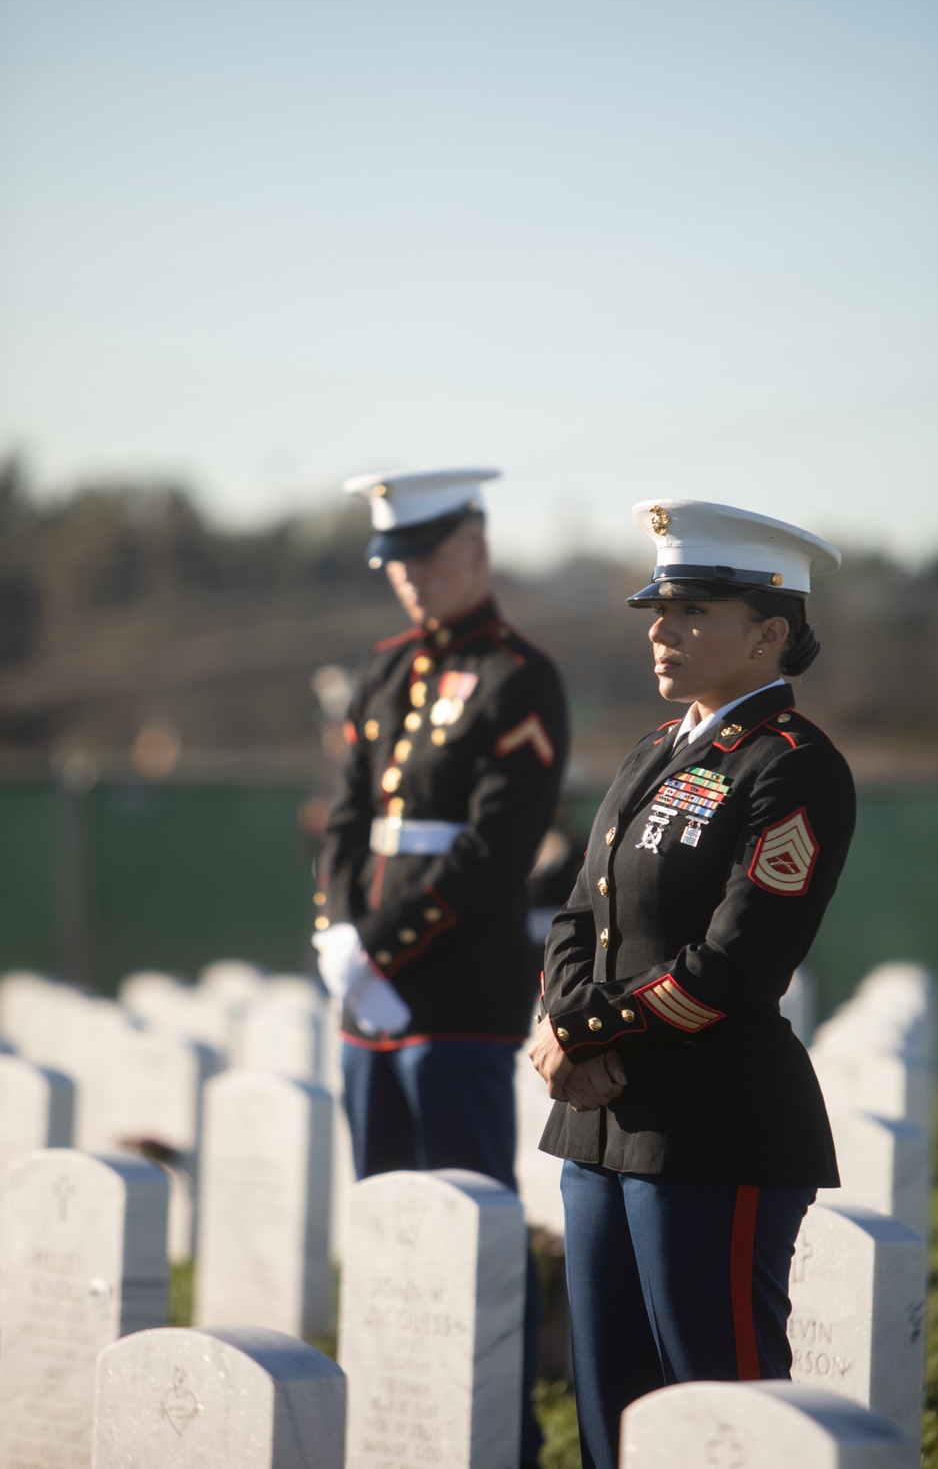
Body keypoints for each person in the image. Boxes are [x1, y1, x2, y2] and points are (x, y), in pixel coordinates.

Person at [529, 498, 856, 1469]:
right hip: (598, 1124)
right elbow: (575, 915)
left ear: (768, 634)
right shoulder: (651, 752)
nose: (662, 633)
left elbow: (734, 964)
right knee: (612, 1415)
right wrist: (563, 1022)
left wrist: (583, 1035)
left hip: (711, 1125)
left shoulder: (791, 767)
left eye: (692, 615)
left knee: (722, 1413)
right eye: (657, 614)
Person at [314, 466, 569, 1469]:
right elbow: (343, 822)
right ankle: (394, 1424)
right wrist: (335, 933)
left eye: (426, 556)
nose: (410, 579)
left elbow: (494, 853)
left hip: (455, 994)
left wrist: (377, 945)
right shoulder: (381, 675)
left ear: (476, 547)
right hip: (363, 1002)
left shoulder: (519, 676)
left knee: (468, 1232)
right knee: (384, 1230)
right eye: (395, 562)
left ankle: (495, 1432)